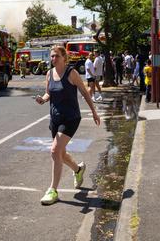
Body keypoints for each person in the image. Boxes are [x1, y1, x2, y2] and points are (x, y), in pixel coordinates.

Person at [35, 46, 101, 205]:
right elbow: (49, 93)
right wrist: (43, 99)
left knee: (54, 150)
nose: (53, 59)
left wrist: (94, 112)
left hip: (70, 118)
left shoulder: (72, 73)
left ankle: (53, 190)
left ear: (64, 58)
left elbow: (85, 92)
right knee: (61, 154)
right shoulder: (49, 74)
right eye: (51, 56)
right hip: (55, 118)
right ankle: (78, 170)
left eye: (56, 56)